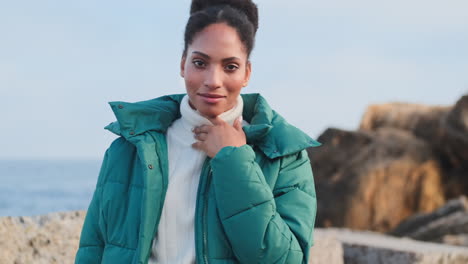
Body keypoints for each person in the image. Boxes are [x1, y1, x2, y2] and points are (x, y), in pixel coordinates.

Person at [74, 0, 320, 263]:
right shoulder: (130, 146)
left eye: (230, 66)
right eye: (200, 63)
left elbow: (286, 260)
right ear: (183, 64)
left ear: (247, 73)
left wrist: (234, 160)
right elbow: (93, 247)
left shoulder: (283, 155)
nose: (213, 81)